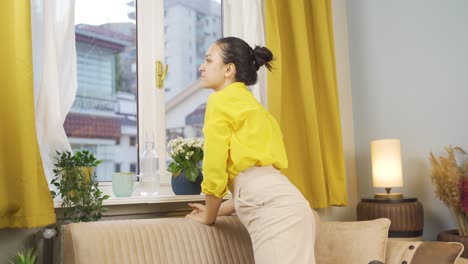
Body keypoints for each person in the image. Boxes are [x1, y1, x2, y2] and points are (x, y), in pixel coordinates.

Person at [185, 37, 316, 264]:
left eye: (208, 60)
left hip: (274, 209)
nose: (201, 67)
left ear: (229, 69)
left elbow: (215, 168)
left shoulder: (220, 101)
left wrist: (209, 216)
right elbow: (258, 181)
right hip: (293, 204)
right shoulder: (254, 107)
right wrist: (221, 209)